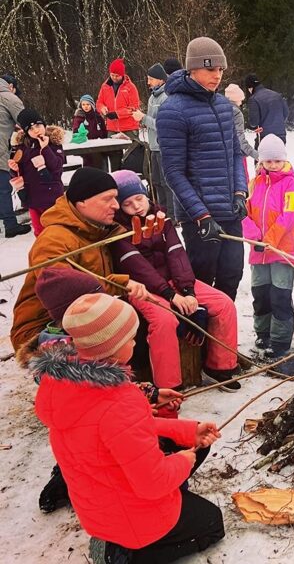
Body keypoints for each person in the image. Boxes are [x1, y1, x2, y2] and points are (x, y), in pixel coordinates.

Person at [32, 293, 225, 563]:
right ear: (112, 348)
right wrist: (183, 461)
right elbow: (151, 481)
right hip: (129, 520)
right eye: (131, 338)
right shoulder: (119, 403)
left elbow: (119, 428)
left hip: (98, 503)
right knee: (212, 523)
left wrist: (187, 430)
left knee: (196, 443)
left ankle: (122, 533)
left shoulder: (62, 382)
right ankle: (124, 553)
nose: (136, 341)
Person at [32, 267, 183, 514]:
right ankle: (64, 483)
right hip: (95, 453)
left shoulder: (72, 352)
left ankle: (67, 481)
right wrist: (143, 408)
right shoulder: (85, 354)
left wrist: (149, 393)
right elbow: (102, 407)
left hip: (83, 444)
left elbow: (100, 396)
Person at [109, 170, 241, 390]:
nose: (136, 206)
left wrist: (187, 290)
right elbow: (137, 267)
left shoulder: (162, 219)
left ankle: (221, 365)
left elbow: (176, 254)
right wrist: (171, 296)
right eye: (128, 203)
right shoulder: (119, 231)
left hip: (175, 281)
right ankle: (169, 385)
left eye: (139, 199)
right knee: (164, 320)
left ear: (147, 195)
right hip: (141, 287)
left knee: (224, 304)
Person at [10, 167, 150, 363]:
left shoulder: (96, 230)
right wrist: (120, 284)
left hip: (83, 315)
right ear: (82, 202)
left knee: (141, 322)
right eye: (107, 199)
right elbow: (59, 289)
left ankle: (132, 388)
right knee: (117, 332)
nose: (116, 206)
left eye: (116, 198)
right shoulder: (54, 239)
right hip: (43, 327)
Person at [158, 37, 247, 301]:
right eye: (210, 69)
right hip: (200, 217)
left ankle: (223, 338)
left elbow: (235, 153)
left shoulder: (222, 106)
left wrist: (240, 192)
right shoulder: (172, 110)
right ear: (192, 70)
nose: (217, 76)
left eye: (220, 70)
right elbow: (173, 172)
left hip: (229, 211)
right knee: (202, 283)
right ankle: (200, 339)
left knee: (232, 275)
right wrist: (200, 216)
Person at [242, 134, 294, 357]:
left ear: (284, 160)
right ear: (261, 162)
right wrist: (255, 236)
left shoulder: (290, 184)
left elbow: (290, 215)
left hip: (281, 251)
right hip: (258, 253)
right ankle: (263, 333)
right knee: (261, 294)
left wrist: (270, 239)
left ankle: (280, 340)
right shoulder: (254, 183)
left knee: (280, 295)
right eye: (268, 161)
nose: (273, 165)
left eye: (277, 161)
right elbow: (243, 214)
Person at [9, 108, 65, 235]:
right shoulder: (23, 148)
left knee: (56, 231)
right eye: (31, 128)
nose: (36, 130)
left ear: (44, 124)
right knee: (39, 232)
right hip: (33, 199)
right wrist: (14, 169)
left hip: (52, 198)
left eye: (38, 125)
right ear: (26, 131)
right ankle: (43, 253)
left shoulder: (54, 144)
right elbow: (20, 174)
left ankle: (60, 253)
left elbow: (57, 167)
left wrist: (45, 149)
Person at [132, 63, 174, 218]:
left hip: (164, 147)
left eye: (151, 79)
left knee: (166, 182)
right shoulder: (152, 97)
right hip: (154, 146)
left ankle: (172, 215)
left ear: (161, 80)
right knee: (155, 180)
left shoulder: (166, 97)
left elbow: (164, 124)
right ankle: (161, 211)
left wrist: (143, 118)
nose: (148, 82)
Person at [0, 74, 30, 237]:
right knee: (3, 188)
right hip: (0, 146)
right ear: (10, 86)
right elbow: (25, 119)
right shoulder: (8, 97)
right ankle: (10, 225)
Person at [225, 82, 258, 178]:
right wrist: (256, 155)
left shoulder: (220, 109)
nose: (241, 102)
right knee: (242, 185)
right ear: (236, 99)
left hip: (222, 157)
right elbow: (240, 140)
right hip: (236, 156)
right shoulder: (236, 113)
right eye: (241, 100)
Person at [244, 73, 288, 145]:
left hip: (264, 136)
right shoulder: (277, 95)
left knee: (263, 156)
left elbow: (254, 122)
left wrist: (250, 126)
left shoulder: (254, 99)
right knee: (279, 156)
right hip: (281, 135)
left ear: (250, 87)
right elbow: (286, 113)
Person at [71, 94, 108, 169]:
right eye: (83, 104)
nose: (86, 106)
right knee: (89, 166)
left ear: (92, 105)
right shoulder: (79, 116)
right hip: (86, 146)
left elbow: (104, 130)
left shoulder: (97, 116)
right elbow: (75, 131)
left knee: (101, 165)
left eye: (88, 104)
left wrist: (104, 140)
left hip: (99, 145)